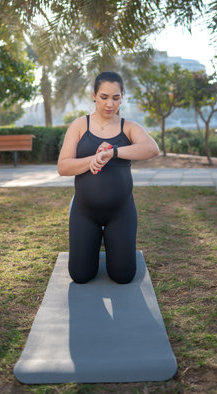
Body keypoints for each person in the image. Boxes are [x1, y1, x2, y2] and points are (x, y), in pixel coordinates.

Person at [58, 71, 159, 284]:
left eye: (116, 98)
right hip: (85, 212)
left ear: (122, 97)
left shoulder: (129, 127)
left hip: (120, 212)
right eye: (104, 97)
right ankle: (95, 238)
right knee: (80, 276)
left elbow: (152, 149)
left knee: (123, 277)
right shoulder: (79, 125)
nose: (109, 104)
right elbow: (63, 167)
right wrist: (92, 160)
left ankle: (111, 239)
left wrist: (113, 152)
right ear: (94, 95)